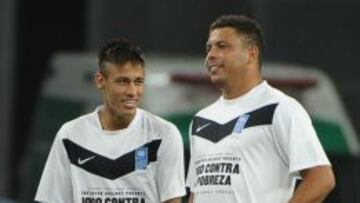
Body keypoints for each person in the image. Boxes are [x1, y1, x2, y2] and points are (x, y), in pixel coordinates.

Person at [186, 15, 335, 203]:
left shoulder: (280, 108)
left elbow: (321, 178)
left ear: (251, 54)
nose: (211, 55)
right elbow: (196, 192)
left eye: (222, 46)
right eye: (209, 48)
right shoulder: (201, 119)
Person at [35, 38, 186, 203]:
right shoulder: (70, 135)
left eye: (138, 82)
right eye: (122, 82)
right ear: (100, 81)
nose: (132, 91)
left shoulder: (164, 134)